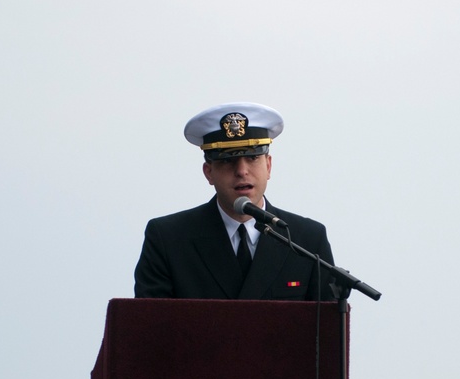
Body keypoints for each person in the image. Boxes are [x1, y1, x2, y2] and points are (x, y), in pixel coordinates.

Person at [134, 102, 335, 300]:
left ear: (269, 165)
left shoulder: (307, 240)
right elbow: (151, 326)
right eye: (227, 161)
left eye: (253, 158)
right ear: (209, 172)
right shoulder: (168, 239)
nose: (241, 171)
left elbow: (327, 326)